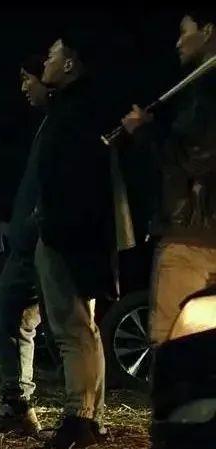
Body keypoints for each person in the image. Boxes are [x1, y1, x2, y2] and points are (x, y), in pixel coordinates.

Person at [33, 31, 117, 449]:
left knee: (73, 327)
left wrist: (54, 225)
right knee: (83, 327)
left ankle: (79, 417)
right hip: (73, 231)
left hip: (68, 234)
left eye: (51, 55)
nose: (44, 62)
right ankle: (90, 416)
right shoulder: (76, 108)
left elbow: (73, 178)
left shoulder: (74, 112)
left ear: (69, 64)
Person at [119, 9, 216, 348]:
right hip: (197, 233)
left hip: (191, 238)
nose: (177, 42)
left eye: (184, 31)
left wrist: (144, 132)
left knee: (170, 344)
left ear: (208, 31)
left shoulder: (206, 93)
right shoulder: (200, 90)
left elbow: (192, 158)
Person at [0, 55, 50, 436]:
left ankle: (82, 415)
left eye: (27, 78)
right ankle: (18, 403)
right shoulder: (44, 122)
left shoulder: (61, 121)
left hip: (41, 238)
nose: (23, 87)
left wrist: (31, 224)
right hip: (27, 237)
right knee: (10, 313)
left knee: (69, 328)